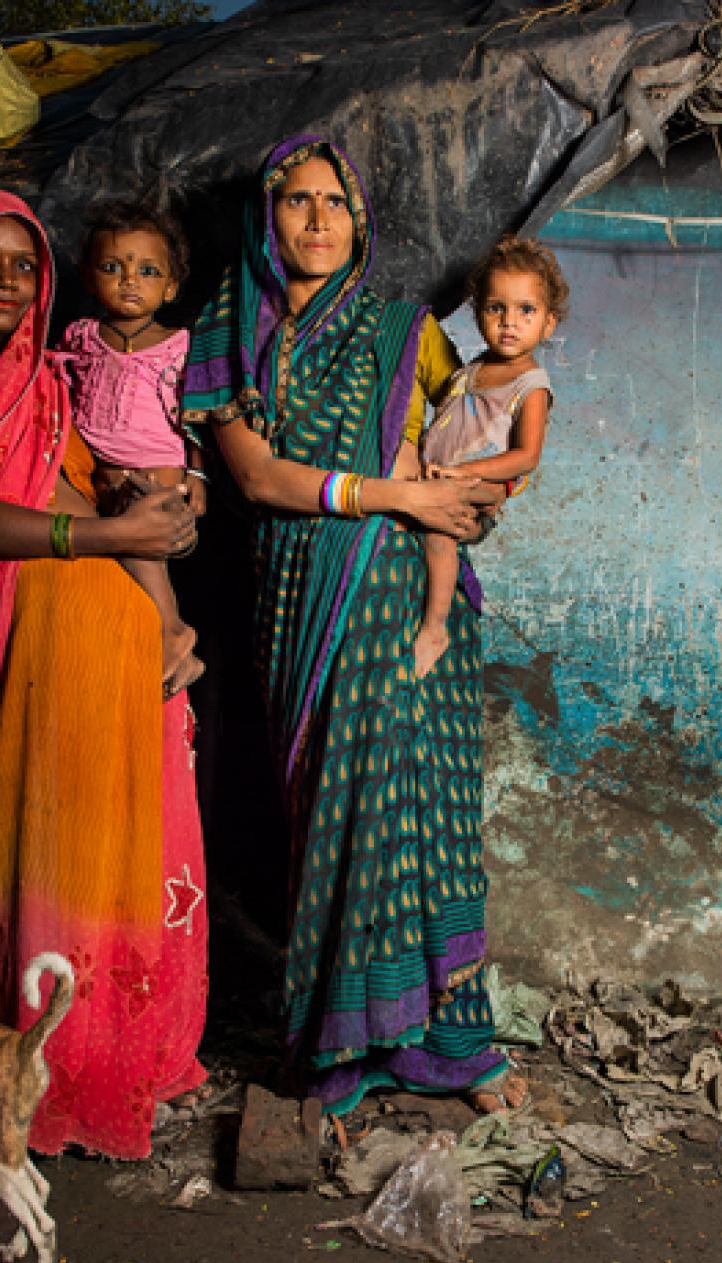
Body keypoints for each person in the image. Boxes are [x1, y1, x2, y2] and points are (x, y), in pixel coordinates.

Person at [184, 135, 524, 1122]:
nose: (320, 219)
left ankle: (450, 1042)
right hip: (301, 595)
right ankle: (342, 1044)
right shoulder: (232, 328)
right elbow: (253, 477)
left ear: (362, 221)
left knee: (420, 814)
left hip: (409, 605)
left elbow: (463, 441)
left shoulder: (402, 331)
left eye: (337, 203)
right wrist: (394, 497)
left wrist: (459, 503)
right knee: (334, 811)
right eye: (298, 201)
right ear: (267, 218)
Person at [0, 187, 210, 1159]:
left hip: (117, 643)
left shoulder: (49, 378)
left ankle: (122, 1053)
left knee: (129, 844)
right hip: (17, 635)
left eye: (26, 264)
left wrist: (165, 511)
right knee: (39, 846)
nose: (10, 281)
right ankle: (39, 1071)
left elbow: (112, 473)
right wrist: (114, 530)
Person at [59, 200, 206, 697]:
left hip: (158, 467)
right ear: (87, 275)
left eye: (147, 271)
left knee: (142, 547)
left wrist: (199, 478)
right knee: (117, 569)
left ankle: (174, 632)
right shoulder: (80, 337)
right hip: (99, 470)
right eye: (112, 267)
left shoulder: (178, 346)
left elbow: (199, 418)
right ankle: (155, 642)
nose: (129, 280)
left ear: (169, 287)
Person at [413, 236, 563, 678]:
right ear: (478, 311)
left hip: (479, 478)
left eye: (526, 311)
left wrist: (465, 475)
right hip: (447, 472)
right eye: (496, 308)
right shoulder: (473, 368)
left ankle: (434, 628)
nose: (509, 322)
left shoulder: (531, 384)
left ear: (548, 324)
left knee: (438, 529)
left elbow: (526, 456)